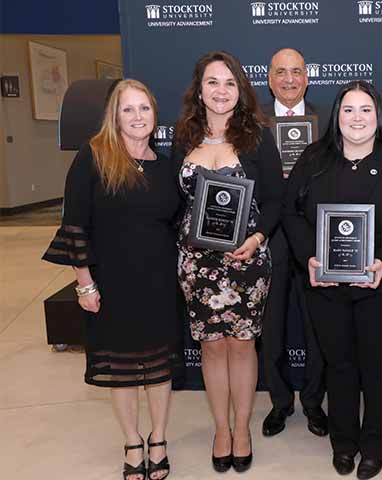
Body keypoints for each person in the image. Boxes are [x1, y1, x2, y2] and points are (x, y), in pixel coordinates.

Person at [283, 80, 382, 479]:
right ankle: (343, 443)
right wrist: (308, 257)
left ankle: (374, 446)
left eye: (365, 109)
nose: (357, 118)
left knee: (379, 365)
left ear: (377, 116)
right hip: (326, 285)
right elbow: (291, 213)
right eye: (349, 110)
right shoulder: (314, 158)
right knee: (340, 365)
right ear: (337, 116)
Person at [42, 79, 181, 480]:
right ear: (114, 116)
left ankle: (159, 438)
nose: (138, 117)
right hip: (112, 282)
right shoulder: (94, 156)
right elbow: (75, 224)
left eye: (144, 109)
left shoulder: (166, 163)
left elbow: (178, 222)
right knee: (121, 368)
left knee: (158, 368)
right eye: (128, 109)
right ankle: (132, 442)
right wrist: (84, 283)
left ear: (155, 115)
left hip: (158, 280)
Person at [172, 51, 283, 474]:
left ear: (241, 90)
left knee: (241, 345)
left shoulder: (257, 137)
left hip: (246, 260)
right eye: (213, 82)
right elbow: (174, 201)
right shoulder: (183, 138)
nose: (221, 91)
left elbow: (274, 199)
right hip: (196, 265)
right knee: (211, 347)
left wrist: (257, 238)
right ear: (199, 89)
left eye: (230, 83)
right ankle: (220, 429)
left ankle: (242, 428)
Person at [259, 47, 328, 438]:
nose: (288, 79)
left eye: (296, 71)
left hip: (315, 236)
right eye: (280, 72)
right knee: (272, 326)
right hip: (269, 236)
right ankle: (280, 402)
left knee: (318, 324)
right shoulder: (252, 124)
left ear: (307, 77)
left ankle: (315, 402)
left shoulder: (326, 123)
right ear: (269, 78)